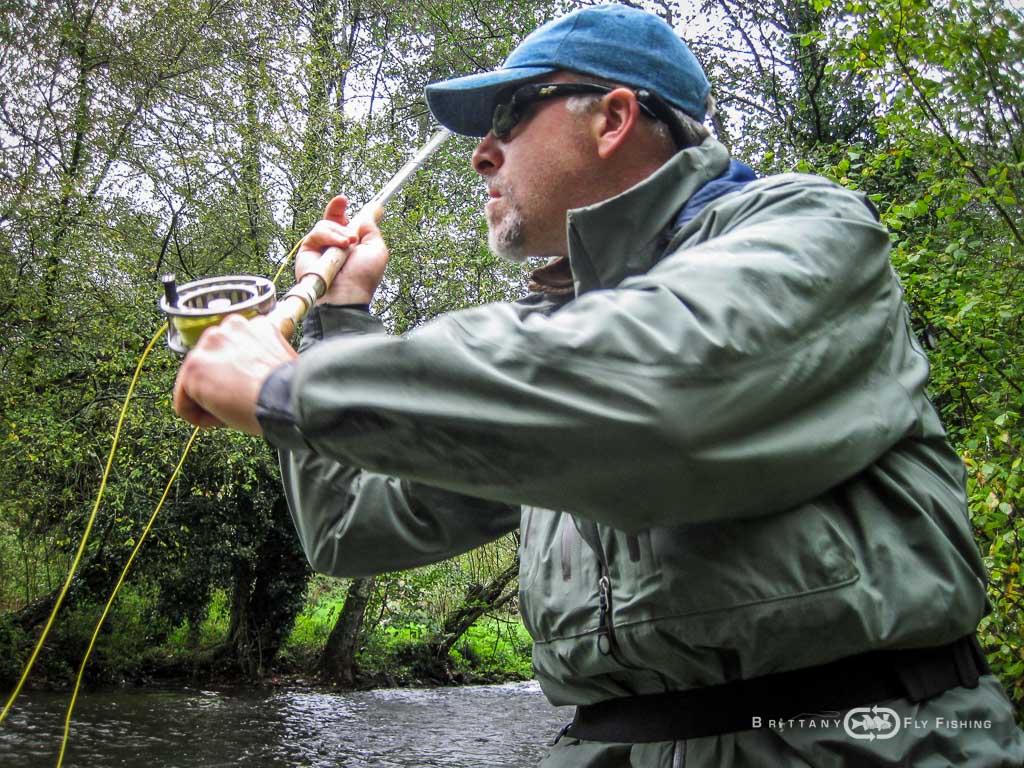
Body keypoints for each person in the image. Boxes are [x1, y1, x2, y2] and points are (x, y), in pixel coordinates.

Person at [173, 4, 1024, 766]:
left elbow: (658, 394)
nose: (481, 155)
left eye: (507, 117)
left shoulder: (813, 231)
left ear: (614, 117)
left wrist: (291, 387)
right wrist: (343, 317)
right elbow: (353, 527)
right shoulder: (559, 343)